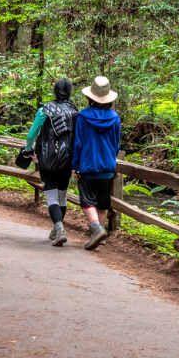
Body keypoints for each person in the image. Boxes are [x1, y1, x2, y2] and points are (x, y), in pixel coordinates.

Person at [25, 78, 77, 247]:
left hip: (47, 157)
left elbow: (32, 134)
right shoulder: (74, 111)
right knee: (62, 195)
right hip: (66, 158)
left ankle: (59, 228)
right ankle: (57, 228)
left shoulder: (44, 110)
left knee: (51, 194)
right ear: (69, 92)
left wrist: (28, 149)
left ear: (55, 91)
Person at [73, 76, 122, 250]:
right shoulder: (115, 118)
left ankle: (96, 228)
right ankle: (99, 237)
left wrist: (75, 164)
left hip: (88, 165)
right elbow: (116, 144)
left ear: (90, 97)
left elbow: (78, 143)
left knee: (87, 201)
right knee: (102, 202)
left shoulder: (82, 117)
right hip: (107, 167)